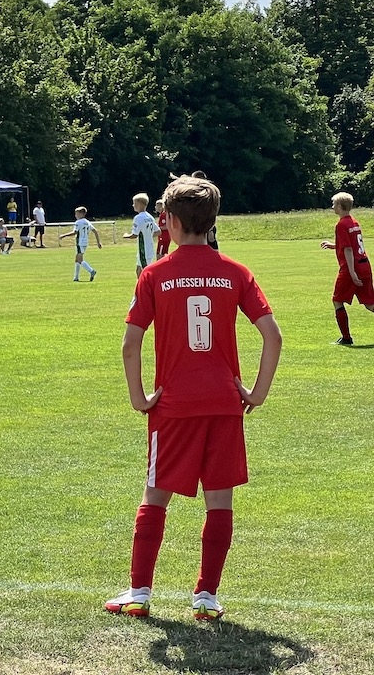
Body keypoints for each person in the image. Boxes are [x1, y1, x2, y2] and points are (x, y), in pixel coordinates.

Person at [104, 173, 281, 622]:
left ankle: (139, 593)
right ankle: (206, 597)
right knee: (219, 501)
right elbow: (273, 336)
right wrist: (256, 393)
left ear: (169, 220)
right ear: (212, 220)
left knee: (155, 495)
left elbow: (130, 344)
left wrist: (138, 396)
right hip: (224, 403)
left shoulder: (154, 274)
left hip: (173, 405)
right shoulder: (236, 272)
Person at [320, 191, 374, 346]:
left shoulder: (341, 224)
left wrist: (351, 272)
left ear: (339, 206)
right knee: (370, 304)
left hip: (351, 268)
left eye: (334, 204)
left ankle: (346, 338)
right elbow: (353, 244)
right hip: (365, 265)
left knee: (337, 300)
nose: (332, 207)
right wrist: (334, 246)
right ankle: (345, 338)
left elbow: (349, 249)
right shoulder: (354, 222)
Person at [59, 206, 101, 281]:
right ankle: (76, 277)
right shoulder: (87, 222)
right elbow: (95, 231)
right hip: (85, 242)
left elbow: (74, 232)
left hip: (80, 242)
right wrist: (98, 242)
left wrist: (64, 235)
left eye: (77, 213)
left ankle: (91, 271)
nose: (75, 215)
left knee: (79, 260)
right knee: (77, 260)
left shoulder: (78, 222)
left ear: (82, 214)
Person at [124, 193, 160, 276]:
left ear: (140, 204)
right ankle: (140, 284)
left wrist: (126, 235)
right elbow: (158, 231)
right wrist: (148, 235)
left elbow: (134, 235)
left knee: (145, 272)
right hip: (150, 248)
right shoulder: (150, 217)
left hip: (143, 250)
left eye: (134, 203)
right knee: (138, 270)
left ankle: (151, 284)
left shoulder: (138, 218)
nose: (133, 205)